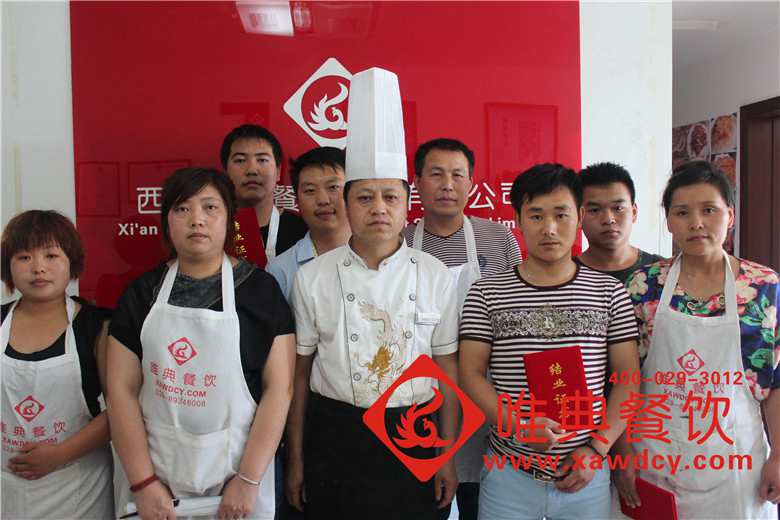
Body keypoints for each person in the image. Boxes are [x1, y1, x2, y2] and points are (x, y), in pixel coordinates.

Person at [285, 68, 459, 519]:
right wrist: (296, 459)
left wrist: (446, 454)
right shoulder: (313, 277)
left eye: (390, 197)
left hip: (414, 429)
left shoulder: (436, 274)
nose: (378, 208)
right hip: (334, 432)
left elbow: (448, 372)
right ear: (346, 205)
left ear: (407, 204)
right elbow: (299, 375)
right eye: (364, 197)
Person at [107, 168, 295, 520]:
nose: (197, 220)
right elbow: (120, 389)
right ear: (166, 221)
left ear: (229, 219)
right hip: (156, 481)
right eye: (182, 209)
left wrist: (248, 479)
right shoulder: (141, 294)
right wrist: (144, 482)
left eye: (210, 207)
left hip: (240, 479)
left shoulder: (261, 291)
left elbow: (280, 389)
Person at [459, 163, 640, 519]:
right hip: (508, 473)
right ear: (518, 219)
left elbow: (628, 379)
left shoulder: (609, 293)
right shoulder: (486, 293)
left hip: (586, 474)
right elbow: (470, 374)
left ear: (580, 216)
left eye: (561, 214)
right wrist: (518, 426)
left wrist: (596, 449)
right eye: (537, 216)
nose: (550, 228)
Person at [616, 160, 779, 519]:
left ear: (729, 215)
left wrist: (779, 456)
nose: (696, 223)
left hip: (737, 463)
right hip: (654, 457)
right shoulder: (643, 286)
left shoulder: (763, 287)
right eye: (682, 213)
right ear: (668, 221)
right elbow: (623, 378)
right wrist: (622, 450)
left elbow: (776, 381)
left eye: (709, 210)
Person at [404, 137, 522, 520]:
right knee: (425, 499)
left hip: (487, 386)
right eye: (436, 174)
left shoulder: (499, 238)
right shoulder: (399, 242)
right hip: (420, 388)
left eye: (457, 175)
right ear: (417, 182)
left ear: (472, 183)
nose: (447, 185)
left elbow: (517, 303)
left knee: (480, 499)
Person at [1, 210, 114, 519]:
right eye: (24, 257)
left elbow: (122, 409)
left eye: (51, 255)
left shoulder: (97, 327)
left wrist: (60, 454)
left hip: (78, 487)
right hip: (6, 488)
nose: (38, 267)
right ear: (8, 266)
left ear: (72, 262)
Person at [267, 146, 350, 300]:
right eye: (310, 190)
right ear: (297, 200)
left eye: (333, 187)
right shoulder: (279, 270)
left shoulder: (378, 256)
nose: (323, 200)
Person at [221, 124, 307, 262]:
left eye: (262, 160)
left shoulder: (302, 231)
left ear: (278, 172)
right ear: (226, 171)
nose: (252, 170)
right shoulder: (212, 228)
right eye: (240, 160)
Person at [576, 162, 663, 284]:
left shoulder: (663, 271)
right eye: (594, 210)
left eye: (618, 208)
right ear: (579, 217)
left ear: (634, 212)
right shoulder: (561, 275)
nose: (608, 219)